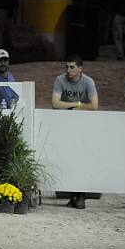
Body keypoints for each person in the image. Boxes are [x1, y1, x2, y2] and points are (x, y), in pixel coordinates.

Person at [51, 54, 99, 209]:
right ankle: (72, 194)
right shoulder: (60, 80)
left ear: (80, 68)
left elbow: (94, 106)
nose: (68, 70)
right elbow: (54, 103)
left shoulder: (88, 81)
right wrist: (77, 103)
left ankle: (81, 194)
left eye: (72, 67)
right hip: (64, 124)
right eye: (67, 66)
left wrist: (73, 108)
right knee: (66, 156)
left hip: (84, 125)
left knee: (82, 157)